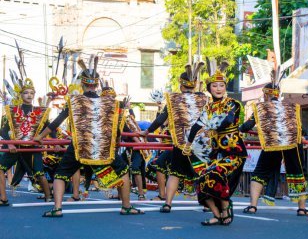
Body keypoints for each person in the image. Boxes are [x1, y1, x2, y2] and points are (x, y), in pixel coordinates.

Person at [34, 58, 144, 217]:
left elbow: (57, 122)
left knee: (60, 175)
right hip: (103, 147)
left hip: (80, 146)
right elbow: (117, 127)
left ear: (82, 84)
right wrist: (121, 141)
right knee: (124, 171)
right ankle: (126, 206)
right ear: (97, 84)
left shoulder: (73, 101)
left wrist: (40, 136)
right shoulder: (109, 102)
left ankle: (57, 209)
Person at [184, 59, 247, 226]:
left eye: (221, 86)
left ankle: (226, 206)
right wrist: (188, 145)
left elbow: (228, 120)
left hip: (234, 152)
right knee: (202, 180)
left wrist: (214, 126)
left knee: (214, 174)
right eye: (215, 86)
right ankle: (216, 214)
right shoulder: (208, 108)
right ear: (209, 89)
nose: (219, 89)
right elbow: (195, 126)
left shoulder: (233, 104)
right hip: (216, 153)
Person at [140, 62, 206, 213]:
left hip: (180, 143)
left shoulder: (173, 99)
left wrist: (147, 131)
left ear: (181, 85)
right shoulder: (203, 98)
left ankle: (168, 203)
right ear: (194, 85)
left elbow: (160, 119)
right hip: (199, 144)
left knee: (175, 174)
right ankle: (207, 204)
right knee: (202, 173)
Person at [240, 82, 308, 216]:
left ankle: (253, 206)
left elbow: (248, 125)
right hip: (292, 143)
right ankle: (302, 208)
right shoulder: (291, 107)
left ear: (265, 94)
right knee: (298, 173)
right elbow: (301, 129)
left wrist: (239, 129)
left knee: (260, 172)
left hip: (273, 143)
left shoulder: (262, 108)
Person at [0, 74, 54, 205]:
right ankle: (3, 198)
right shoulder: (12, 110)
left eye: (31, 93)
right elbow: (3, 130)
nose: (29, 95)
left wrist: (53, 143)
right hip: (16, 147)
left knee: (40, 173)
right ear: (20, 95)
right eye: (26, 93)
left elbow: (50, 128)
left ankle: (49, 197)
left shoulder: (40, 111)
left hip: (33, 147)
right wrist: (11, 144)